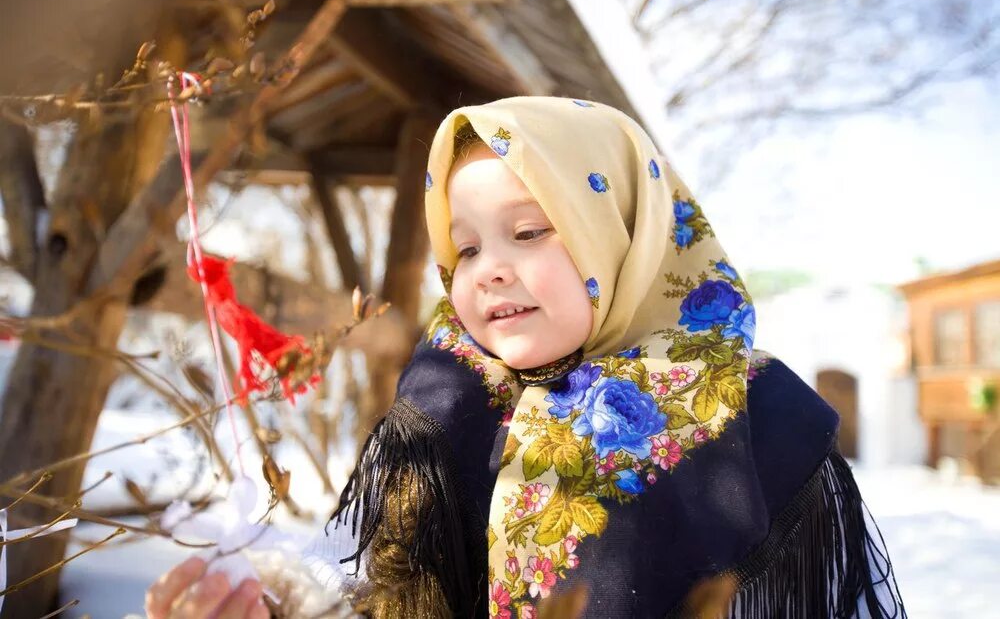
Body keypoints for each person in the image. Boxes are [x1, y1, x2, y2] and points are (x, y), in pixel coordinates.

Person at [147, 96, 906, 618]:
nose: (489, 270)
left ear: (620, 233)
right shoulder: (446, 399)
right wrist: (278, 604)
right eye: (466, 246)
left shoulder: (757, 412)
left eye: (531, 231)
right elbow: (389, 597)